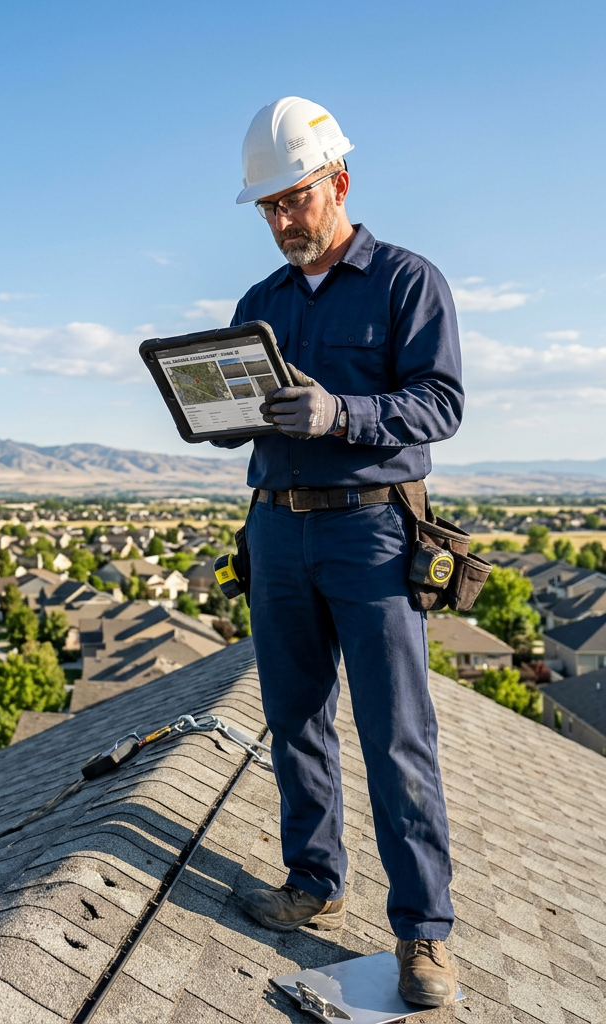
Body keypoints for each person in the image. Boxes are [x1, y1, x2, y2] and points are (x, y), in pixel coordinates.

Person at [218, 96, 463, 1008]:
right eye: (269, 207)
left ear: (340, 183)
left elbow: (440, 403)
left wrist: (342, 414)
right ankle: (314, 880)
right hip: (276, 527)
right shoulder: (260, 304)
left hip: (372, 530)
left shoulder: (406, 282)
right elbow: (242, 411)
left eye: (296, 199)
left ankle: (423, 932)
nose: (283, 220)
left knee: (396, 734)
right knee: (293, 718)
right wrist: (218, 414)